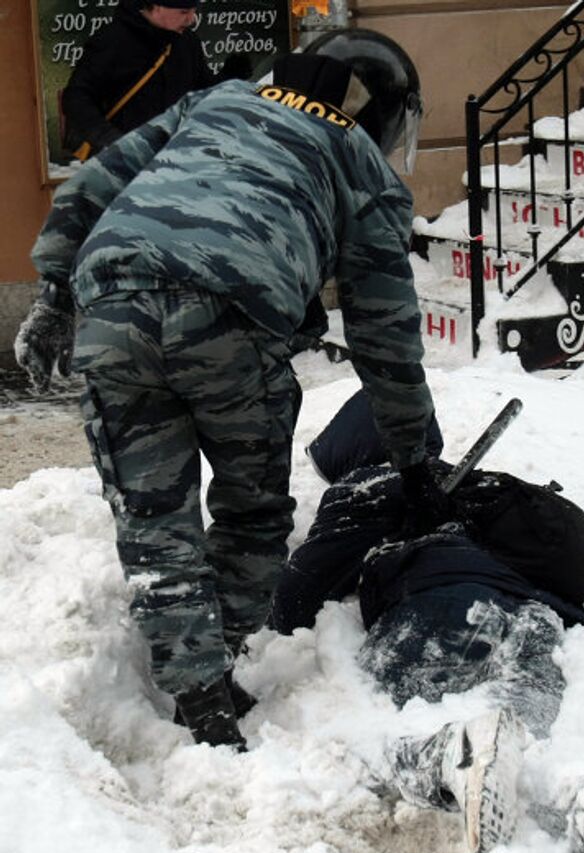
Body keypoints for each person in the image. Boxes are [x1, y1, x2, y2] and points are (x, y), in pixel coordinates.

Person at [15, 29, 450, 752]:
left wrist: (54, 295)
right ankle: (225, 662)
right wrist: (413, 458)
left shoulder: (215, 100)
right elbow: (386, 333)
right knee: (251, 512)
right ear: (381, 112)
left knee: (153, 515)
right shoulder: (362, 166)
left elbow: (94, 184)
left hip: (112, 304)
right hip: (230, 321)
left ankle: (195, 689)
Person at [269, 393, 584, 853]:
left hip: (436, 620)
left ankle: (454, 750)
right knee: (526, 759)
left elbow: (291, 606)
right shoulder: (471, 485)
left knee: (378, 739)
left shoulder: (366, 487)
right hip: (534, 624)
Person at [60, 0, 250, 159]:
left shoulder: (187, 42)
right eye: (183, 11)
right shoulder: (113, 41)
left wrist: (229, 77)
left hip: (175, 159)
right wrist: (111, 140)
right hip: (124, 162)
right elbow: (76, 97)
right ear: (156, 6)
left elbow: (200, 94)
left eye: (194, 11)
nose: (191, 19)